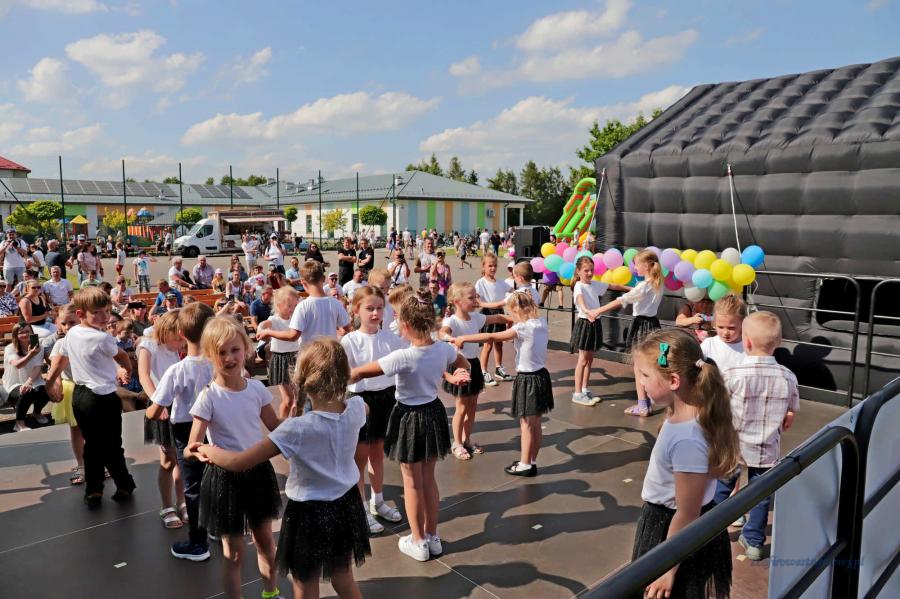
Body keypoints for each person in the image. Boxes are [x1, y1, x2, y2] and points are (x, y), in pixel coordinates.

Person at [193, 339, 370, 599]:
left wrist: (205, 449)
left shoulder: (296, 429)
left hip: (309, 513)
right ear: (344, 375)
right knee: (342, 576)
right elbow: (364, 407)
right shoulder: (356, 408)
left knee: (305, 581)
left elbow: (239, 462)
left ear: (301, 379)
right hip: (346, 505)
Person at [350, 290, 471, 562]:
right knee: (429, 479)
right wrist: (459, 374)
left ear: (404, 326)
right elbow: (462, 361)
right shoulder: (443, 348)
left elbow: (359, 372)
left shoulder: (403, 357)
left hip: (409, 418)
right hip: (433, 413)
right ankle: (432, 537)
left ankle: (418, 541)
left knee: (412, 483)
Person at [629, 329, 739, 599]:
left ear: (674, 381)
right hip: (673, 528)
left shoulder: (687, 439)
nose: (640, 382)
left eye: (645, 375)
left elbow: (688, 512)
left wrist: (667, 568)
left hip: (672, 534)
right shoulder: (683, 414)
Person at [185, 317, 282, 599]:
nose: (229, 358)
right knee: (234, 552)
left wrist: (299, 423)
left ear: (246, 349)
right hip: (225, 479)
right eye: (221, 352)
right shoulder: (209, 397)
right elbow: (191, 446)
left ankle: (271, 592)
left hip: (258, 472)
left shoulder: (257, 390)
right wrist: (203, 452)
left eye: (235, 350)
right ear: (210, 356)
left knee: (266, 543)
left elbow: (275, 426)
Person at [715, 311, 798, 561]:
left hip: (733, 445)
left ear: (746, 341)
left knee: (721, 489)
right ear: (778, 342)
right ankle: (753, 542)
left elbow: (719, 408)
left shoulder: (732, 374)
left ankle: (712, 533)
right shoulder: (788, 376)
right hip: (767, 449)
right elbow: (791, 413)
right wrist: (785, 416)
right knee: (761, 496)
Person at [45, 287, 136, 508]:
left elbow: (60, 360)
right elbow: (122, 355)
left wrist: (50, 382)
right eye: (97, 312)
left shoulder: (72, 334)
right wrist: (127, 369)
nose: (104, 317)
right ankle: (123, 484)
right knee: (112, 445)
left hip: (81, 396)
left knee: (92, 445)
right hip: (102, 398)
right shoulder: (103, 337)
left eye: (107, 311)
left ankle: (94, 490)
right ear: (81, 314)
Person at [452, 291, 552, 477]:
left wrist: (464, 338)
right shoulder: (541, 322)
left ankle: (524, 464)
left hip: (528, 379)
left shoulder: (522, 328)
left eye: (511, 312)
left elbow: (492, 337)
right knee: (536, 423)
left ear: (516, 310)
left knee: (526, 424)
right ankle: (531, 461)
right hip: (541, 376)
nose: (510, 316)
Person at [145, 302, 216, 561]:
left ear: (182, 334)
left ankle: (198, 543)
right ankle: (218, 528)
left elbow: (156, 409)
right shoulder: (220, 363)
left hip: (186, 430)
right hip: (216, 428)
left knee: (193, 485)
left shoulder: (178, 370)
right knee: (215, 479)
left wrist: (150, 413)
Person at [341, 287, 405, 534]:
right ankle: (360, 508)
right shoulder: (350, 341)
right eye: (370, 308)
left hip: (386, 399)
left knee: (378, 453)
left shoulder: (391, 338)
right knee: (359, 458)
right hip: (360, 401)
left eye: (380, 308)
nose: (376, 313)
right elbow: (343, 375)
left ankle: (377, 500)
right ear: (357, 309)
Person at [439, 283, 508, 460]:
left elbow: (497, 318)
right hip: (460, 366)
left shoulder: (476, 318)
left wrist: (517, 317)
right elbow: (442, 332)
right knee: (461, 407)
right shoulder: (452, 320)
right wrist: (450, 338)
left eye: (476, 296)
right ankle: (457, 443)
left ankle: (466, 439)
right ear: (457, 301)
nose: (475, 300)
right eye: (471, 298)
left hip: (474, 365)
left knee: (472, 407)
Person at [593, 249, 664, 417]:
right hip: (653, 324)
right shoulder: (658, 283)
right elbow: (637, 292)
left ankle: (643, 405)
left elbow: (622, 300)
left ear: (647, 266)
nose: (635, 268)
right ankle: (651, 399)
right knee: (650, 365)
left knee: (638, 367)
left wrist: (598, 311)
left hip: (641, 325)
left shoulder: (643, 286)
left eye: (637, 264)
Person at [137, 310, 187, 530]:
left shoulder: (175, 348)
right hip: (161, 404)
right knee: (168, 459)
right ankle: (167, 505)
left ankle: (182, 500)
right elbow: (144, 376)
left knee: (182, 457)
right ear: (167, 332)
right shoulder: (148, 345)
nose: (182, 344)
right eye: (178, 339)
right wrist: (159, 401)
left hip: (180, 406)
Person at [569, 256, 617, 406]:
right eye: (586, 271)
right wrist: (587, 310)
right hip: (585, 323)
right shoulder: (579, 285)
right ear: (578, 271)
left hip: (595, 323)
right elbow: (580, 299)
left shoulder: (594, 284)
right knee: (583, 360)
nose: (589, 273)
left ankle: (584, 389)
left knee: (590, 360)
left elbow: (613, 286)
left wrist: (633, 290)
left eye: (591, 270)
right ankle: (577, 394)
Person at [48, 304, 85, 483]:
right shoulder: (60, 344)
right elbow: (55, 370)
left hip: (91, 388)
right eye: (64, 323)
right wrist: (57, 387)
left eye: (72, 322)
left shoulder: (90, 339)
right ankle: (82, 465)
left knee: (96, 431)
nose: (68, 327)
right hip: (71, 388)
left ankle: (99, 463)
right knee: (76, 430)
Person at [257, 286, 300, 419]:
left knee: (298, 399)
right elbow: (264, 324)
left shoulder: (295, 318)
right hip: (281, 360)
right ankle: (280, 424)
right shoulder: (274, 319)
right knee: (288, 400)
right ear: (278, 304)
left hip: (296, 357)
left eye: (295, 305)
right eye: (289, 305)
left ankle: (293, 423)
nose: (292, 308)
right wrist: (261, 329)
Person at [4, 321, 51, 432]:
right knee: (26, 392)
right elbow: (18, 365)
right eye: (21, 332)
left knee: (46, 391)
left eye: (27, 331)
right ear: (15, 335)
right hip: (14, 383)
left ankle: (37, 412)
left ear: (32, 332)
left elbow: (37, 367)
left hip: (34, 380)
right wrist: (30, 354)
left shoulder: (39, 347)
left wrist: (29, 382)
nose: (25, 334)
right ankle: (19, 423)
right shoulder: (10, 348)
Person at [475, 254, 511, 386]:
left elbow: (513, 291)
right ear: (483, 266)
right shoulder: (481, 283)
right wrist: (492, 304)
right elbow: (477, 301)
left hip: (500, 315)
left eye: (495, 265)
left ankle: (498, 368)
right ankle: (483, 371)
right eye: (490, 265)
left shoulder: (501, 283)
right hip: (487, 315)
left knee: (499, 343)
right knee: (488, 344)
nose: (493, 268)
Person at [700, 293, 748, 371]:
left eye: (731, 328)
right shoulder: (709, 344)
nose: (725, 333)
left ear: (743, 323)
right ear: (714, 323)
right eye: (721, 327)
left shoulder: (748, 346)